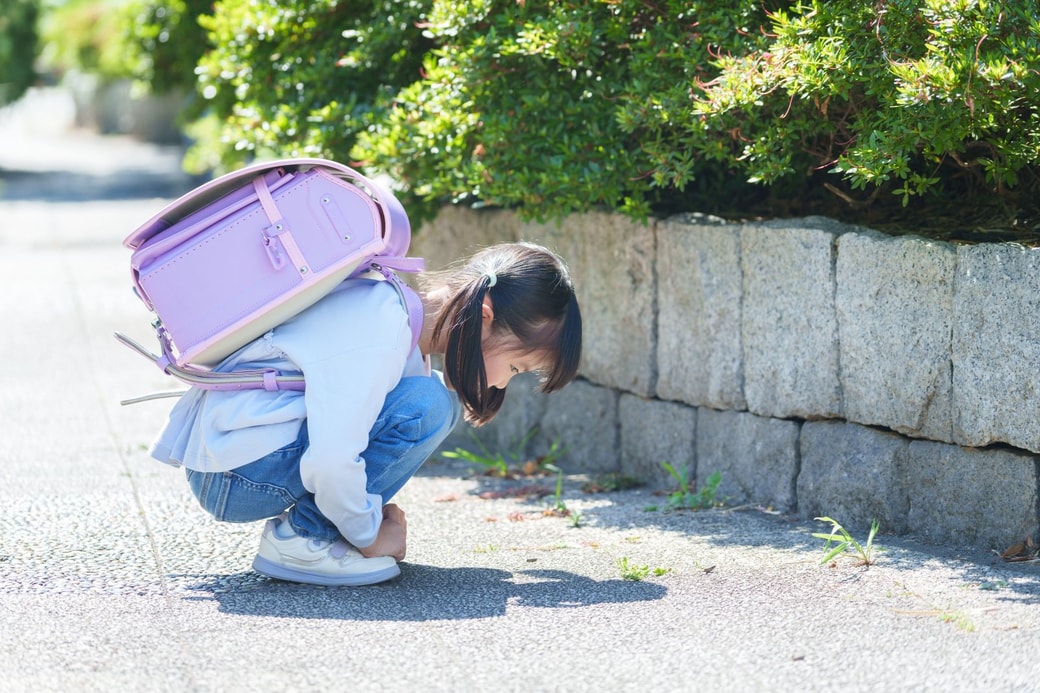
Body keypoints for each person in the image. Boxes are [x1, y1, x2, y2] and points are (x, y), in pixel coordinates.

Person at [149, 241, 582, 586]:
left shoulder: (390, 311)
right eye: (516, 367)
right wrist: (369, 535)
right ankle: (305, 541)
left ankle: (318, 532)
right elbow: (333, 460)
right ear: (485, 317)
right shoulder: (380, 329)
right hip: (235, 476)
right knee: (427, 408)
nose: (501, 383)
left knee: (427, 402)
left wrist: (364, 516)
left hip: (233, 459)